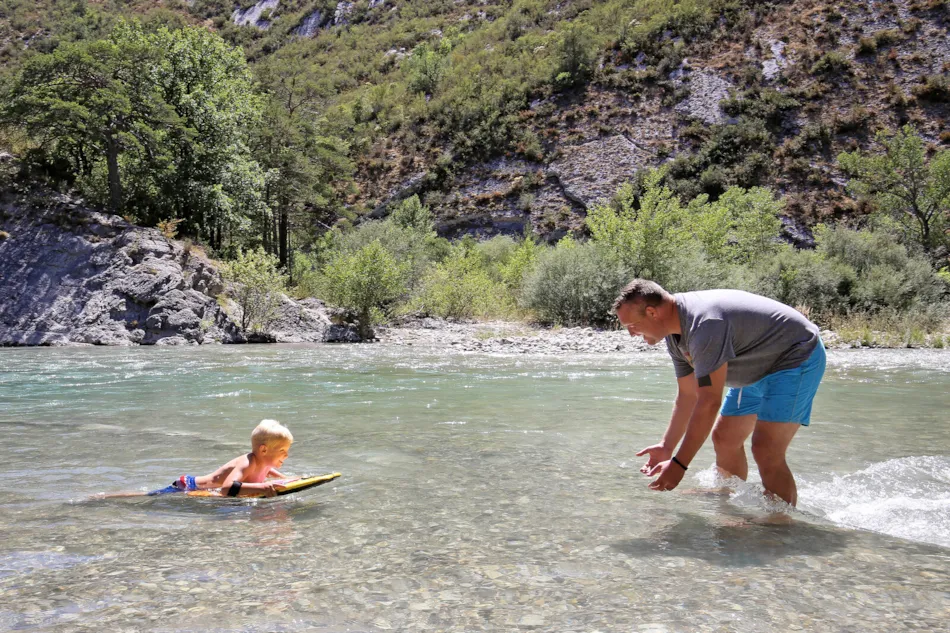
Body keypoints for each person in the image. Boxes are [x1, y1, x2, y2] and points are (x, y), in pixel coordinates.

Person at [613, 279, 825, 506]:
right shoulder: (675, 336)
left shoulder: (704, 325)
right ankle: (728, 497)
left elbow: (708, 402)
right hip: (753, 365)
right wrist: (667, 446)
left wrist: (679, 465)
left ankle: (779, 527)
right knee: (725, 438)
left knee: (766, 449)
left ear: (652, 312)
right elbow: (688, 396)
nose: (632, 334)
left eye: (631, 326)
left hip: (795, 356)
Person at [147, 419, 294, 498]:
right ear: (264, 450)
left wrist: (291, 479)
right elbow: (226, 488)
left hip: (198, 489)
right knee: (148, 496)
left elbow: (271, 474)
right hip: (188, 486)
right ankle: (124, 497)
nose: (286, 455)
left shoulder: (265, 464)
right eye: (282, 450)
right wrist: (262, 487)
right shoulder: (248, 462)